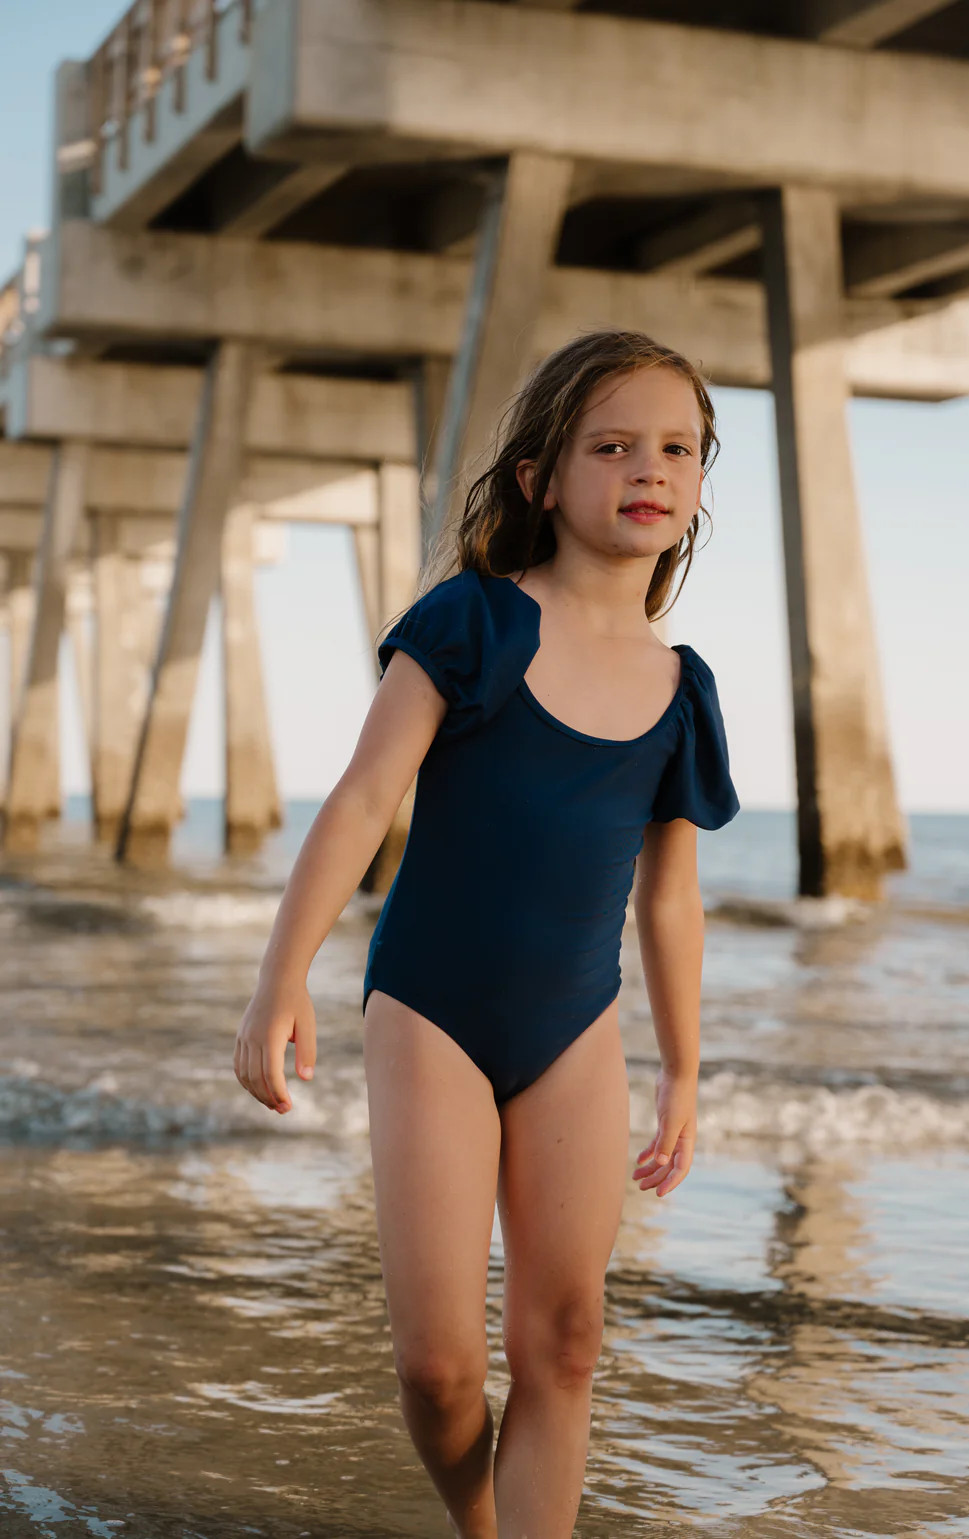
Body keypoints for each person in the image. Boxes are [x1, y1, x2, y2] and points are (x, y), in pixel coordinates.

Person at [234, 328, 740, 1538]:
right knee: (440, 1370)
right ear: (540, 479)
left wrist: (682, 1066)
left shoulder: (683, 689)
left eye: (675, 447)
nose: (647, 469)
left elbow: (667, 899)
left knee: (565, 1341)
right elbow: (363, 799)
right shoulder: (470, 623)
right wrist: (280, 982)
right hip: (431, 1012)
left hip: (575, 1026)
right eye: (610, 445)